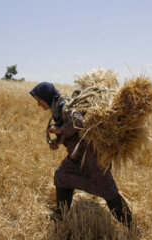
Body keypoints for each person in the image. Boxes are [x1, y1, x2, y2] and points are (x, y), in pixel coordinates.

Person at [29, 82, 132, 229]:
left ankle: (130, 225)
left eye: (39, 100)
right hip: (78, 156)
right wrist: (57, 141)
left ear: (47, 97)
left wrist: (57, 130)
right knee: (61, 175)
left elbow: (78, 122)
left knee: (108, 191)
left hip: (92, 157)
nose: (38, 104)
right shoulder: (58, 110)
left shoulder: (65, 107)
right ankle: (61, 214)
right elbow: (72, 133)